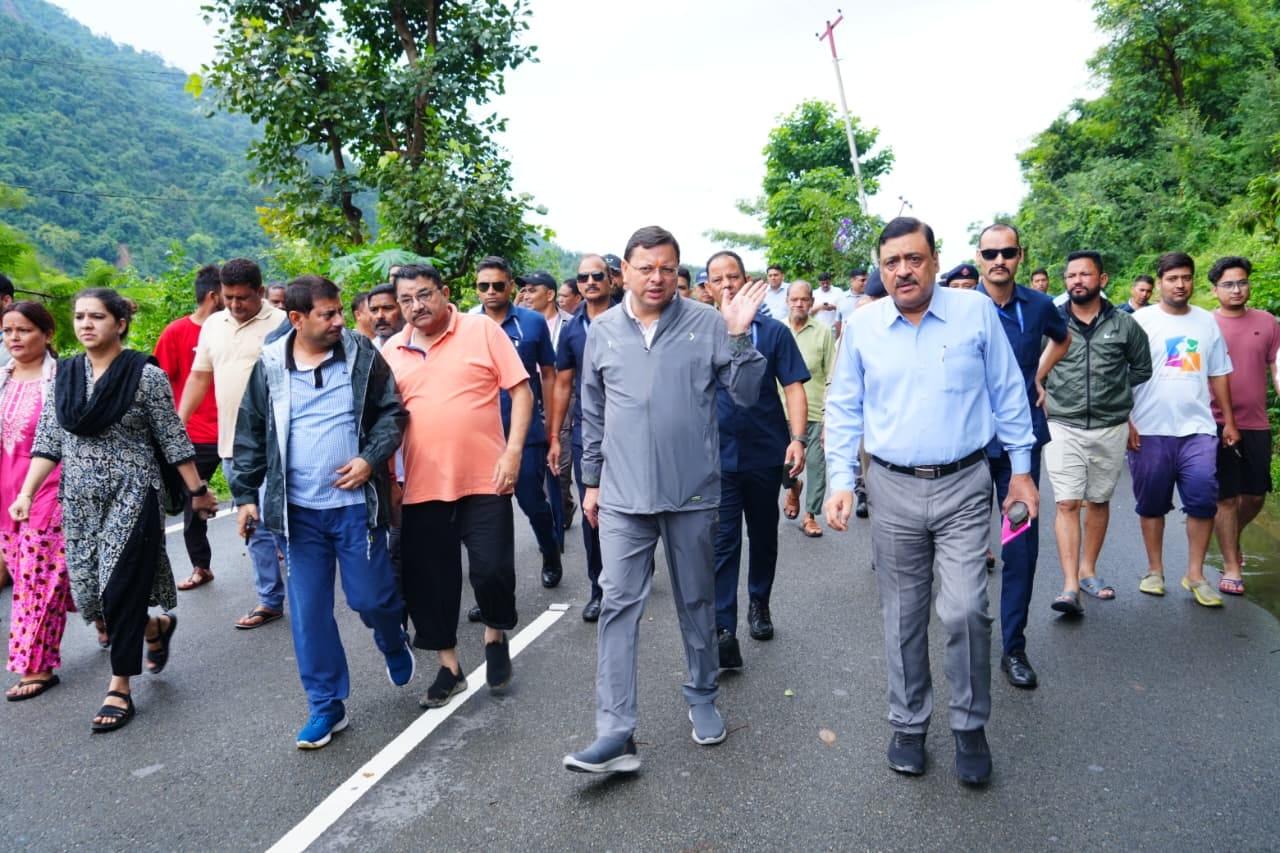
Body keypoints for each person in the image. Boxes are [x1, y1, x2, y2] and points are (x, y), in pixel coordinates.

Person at [825, 217, 1035, 788]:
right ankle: (909, 724)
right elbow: (844, 407)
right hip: (890, 487)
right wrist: (841, 480)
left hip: (965, 484)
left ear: (935, 260)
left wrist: (1021, 472)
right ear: (880, 268)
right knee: (902, 613)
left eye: (913, 259)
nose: (903, 271)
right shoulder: (863, 327)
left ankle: (969, 725)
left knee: (966, 608)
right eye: (891, 262)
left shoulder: (974, 314)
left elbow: (1008, 392)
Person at [562, 226, 767, 775]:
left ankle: (701, 695)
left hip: (692, 493)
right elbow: (594, 410)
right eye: (645, 267)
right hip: (624, 498)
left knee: (697, 602)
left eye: (668, 268)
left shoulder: (708, 323)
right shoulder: (601, 331)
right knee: (617, 605)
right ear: (622, 272)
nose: (657, 277)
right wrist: (592, 480)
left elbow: (745, 397)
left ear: (679, 272)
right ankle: (614, 731)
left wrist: (741, 338)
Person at [11, 288, 218, 731]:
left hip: (133, 491)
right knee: (91, 596)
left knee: (118, 589)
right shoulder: (64, 376)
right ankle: (154, 629)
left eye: (97, 317)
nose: (86, 324)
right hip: (79, 501)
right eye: (80, 317)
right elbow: (49, 441)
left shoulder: (144, 375)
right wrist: (27, 493)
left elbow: (172, 438)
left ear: (120, 323)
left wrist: (196, 490)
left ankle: (119, 686)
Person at [231, 275, 413, 749]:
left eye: (338, 311)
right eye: (327, 314)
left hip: (356, 507)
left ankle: (392, 639)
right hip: (299, 514)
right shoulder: (270, 364)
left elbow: (393, 414)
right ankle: (326, 705)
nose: (339, 321)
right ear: (297, 319)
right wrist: (245, 494)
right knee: (309, 614)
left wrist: (369, 459)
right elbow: (251, 430)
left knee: (370, 599)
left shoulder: (361, 355)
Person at [382, 263, 532, 709]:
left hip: (486, 476)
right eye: (407, 300)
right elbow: (387, 422)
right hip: (421, 485)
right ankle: (449, 668)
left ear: (445, 292)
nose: (417, 306)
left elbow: (521, 391)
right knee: (431, 582)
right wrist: (389, 478)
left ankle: (495, 631)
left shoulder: (481, 331)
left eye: (425, 295)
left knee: (492, 570)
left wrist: (514, 452)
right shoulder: (392, 350)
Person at [973, 223, 1070, 691]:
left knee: (1020, 550)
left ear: (1019, 255)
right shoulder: (963, 307)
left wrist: (1039, 375)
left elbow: (1061, 337)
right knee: (966, 551)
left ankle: (1013, 647)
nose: (999, 260)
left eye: (1007, 252)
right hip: (968, 450)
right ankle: (966, 639)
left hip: (1020, 454)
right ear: (978, 256)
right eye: (990, 252)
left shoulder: (1038, 305)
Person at [704, 251, 808, 668]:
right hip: (717, 458)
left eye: (733, 277)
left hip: (766, 452)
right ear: (707, 287)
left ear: (748, 281)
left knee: (764, 536)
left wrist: (798, 438)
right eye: (717, 279)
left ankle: (759, 603)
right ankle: (723, 628)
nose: (727, 285)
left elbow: (795, 388)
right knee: (724, 542)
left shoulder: (774, 332)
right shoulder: (699, 333)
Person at [178, 258, 288, 629]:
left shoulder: (284, 324)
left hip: (280, 446)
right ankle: (270, 600)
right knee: (253, 525)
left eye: (243, 298)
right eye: (229, 298)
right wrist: (177, 424)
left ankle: (306, 595)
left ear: (260, 292)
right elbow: (198, 378)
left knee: (287, 525)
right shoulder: (213, 325)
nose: (236, 305)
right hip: (233, 447)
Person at [1042, 251, 1151, 615]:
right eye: (1071, 275)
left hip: (1110, 425)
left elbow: (1142, 368)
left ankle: (1089, 570)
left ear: (1102, 279)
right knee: (1067, 501)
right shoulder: (1052, 323)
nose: (1077, 281)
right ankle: (1070, 585)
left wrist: (1114, 392)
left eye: (1085, 274)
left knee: (1099, 500)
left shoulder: (1124, 325)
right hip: (1062, 422)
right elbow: (1034, 366)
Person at [1129, 252, 1238, 607]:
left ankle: (1195, 574)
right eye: (1173, 278)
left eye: (1186, 278)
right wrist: (1126, 419)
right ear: (1159, 281)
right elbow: (1120, 372)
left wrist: (1229, 420)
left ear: (1194, 281)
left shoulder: (1206, 322)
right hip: (1149, 426)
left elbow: (1218, 372)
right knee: (1151, 502)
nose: (1180, 284)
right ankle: (1154, 570)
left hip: (1198, 427)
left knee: (1203, 498)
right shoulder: (1141, 321)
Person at [475, 258, 563, 589]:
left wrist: (553, 431)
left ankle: (550, 549)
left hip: (525, 432)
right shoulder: (469, 325)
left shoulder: (532, 323)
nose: (491, 292)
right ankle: (493, 590)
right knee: (488, 517)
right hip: (482, 435)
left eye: (498, 285)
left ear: (511, 286)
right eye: (484, 286)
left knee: (531, 502)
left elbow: (550, 376)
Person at [1, 302, 70, 701]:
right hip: (7, 494)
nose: (14, 338)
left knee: (35, 581)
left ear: (47, 335)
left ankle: (37, 666)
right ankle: (142, 627)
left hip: (50, 491)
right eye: (7, 331)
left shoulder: (62, 379)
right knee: (72, 578)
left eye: (23, 330)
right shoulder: (2, 379)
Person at [1207, 256, 1280, 595]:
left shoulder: (1267, 322)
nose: (1237, 289)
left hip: (1256, 422)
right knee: (1226, 497)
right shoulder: (1205, 325)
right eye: (1229, 284)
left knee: (1253, 495)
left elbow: (1277, 366)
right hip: (1215, 421)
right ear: (1214, 289)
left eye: (1242, 282)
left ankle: (1231, 535)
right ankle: (1232, 565)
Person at [547, 255, 612, 622]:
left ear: (610, 281)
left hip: (633, 433)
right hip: (589, 434)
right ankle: (598, 588)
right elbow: (563, 385)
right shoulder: (573, 330)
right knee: (593, 512)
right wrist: (555, 436)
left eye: (597, 276)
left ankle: (635, 563)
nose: (589, 281)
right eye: (583, 277)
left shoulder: (631, 318)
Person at [153, 264, 224, 592]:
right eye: (228, 294)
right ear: (214, 295)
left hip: (237, 430)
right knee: (192, 501)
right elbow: (159, 384)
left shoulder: (230, 329)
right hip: (196, 434)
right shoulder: (176, 332)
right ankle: (201, 566)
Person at [519, 269, 576, 530]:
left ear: (550, 294)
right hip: (529, 399)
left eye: (532, 290)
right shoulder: (520, 324)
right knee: (537, 470)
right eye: (524, 290)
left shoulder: (570, 324)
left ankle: (561, 507)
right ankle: (551, 521)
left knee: (560, 466)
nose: (525, 295)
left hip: (563, 399)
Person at [782, 281, 835, 538]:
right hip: (780, 412)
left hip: (814, 411)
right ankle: (793, 488)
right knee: (780, 467)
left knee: (815, 463)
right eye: (794, 299)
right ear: (787, 301)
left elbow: (831, 375)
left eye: (804, 299)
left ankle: (810, 515)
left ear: (812, 302)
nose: (799, 304)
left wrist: (828, 416)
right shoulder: (777, 330)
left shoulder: (823, 332)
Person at [366, 282, 405, 350]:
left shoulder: (419, 345)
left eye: (387, 308)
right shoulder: (368, 352)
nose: (380, 316)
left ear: (403, 309)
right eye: (374, 310)